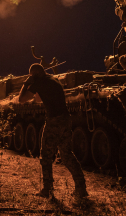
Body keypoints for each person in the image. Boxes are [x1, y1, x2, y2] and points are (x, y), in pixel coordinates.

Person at [16, 64, 88, 202]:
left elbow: (22, 99)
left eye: (32, 75)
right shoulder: (52, 79)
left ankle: (47, 190)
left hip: (54, 121)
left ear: (35, 75)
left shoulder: (40, 83)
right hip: (66, 120)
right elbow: (38, 99)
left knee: (46, 156)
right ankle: (81, 188)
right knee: (67, 155)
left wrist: (26, 84)